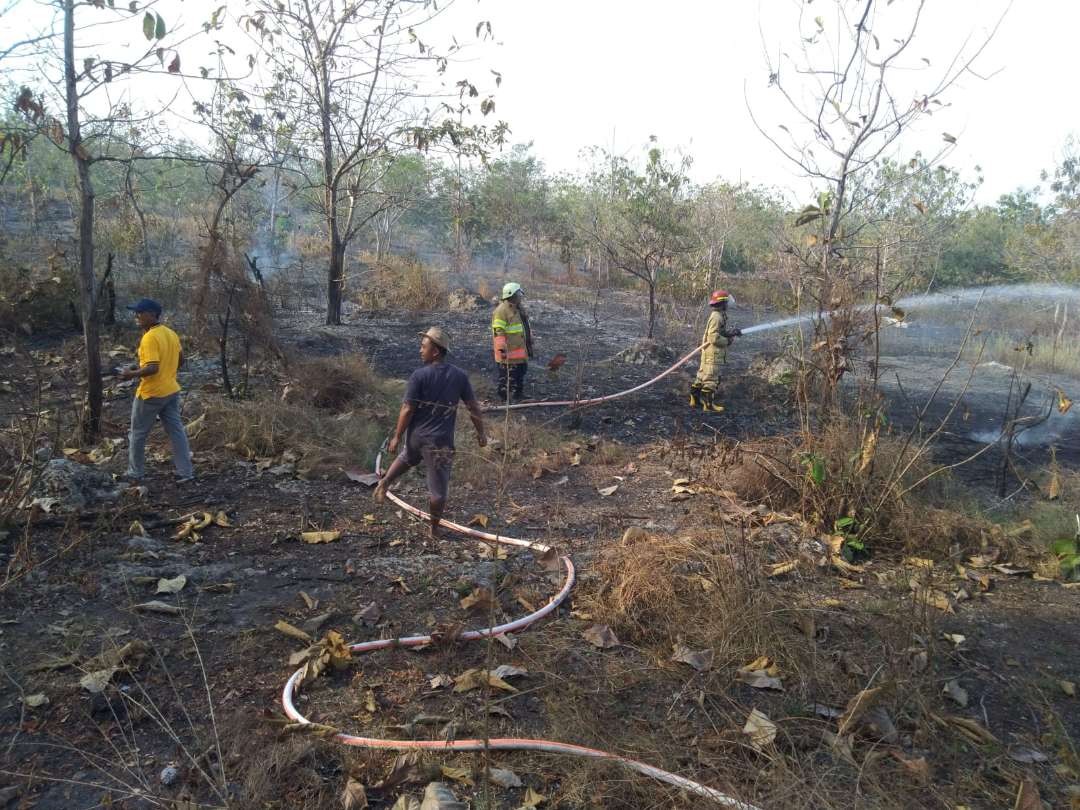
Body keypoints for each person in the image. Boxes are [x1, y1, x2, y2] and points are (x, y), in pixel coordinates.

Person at [373, 327, 487, 539]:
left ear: (436, 351)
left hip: (416, 437)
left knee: (408, 456)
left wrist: (398, 436)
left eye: (423, 347)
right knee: (439, 493)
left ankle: (385, 482)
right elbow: (473, 407)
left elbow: (407, 409)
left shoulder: (419, 376)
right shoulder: (459, 376)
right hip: (439, 444)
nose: (420, 351)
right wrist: (481, 433)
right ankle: (434, 529)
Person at [120, 298, 195, 482]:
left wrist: (130, 374)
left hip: (151, 393)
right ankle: (186, 472)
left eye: (140, 312)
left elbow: (152, 367)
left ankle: (135, 472)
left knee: (137, 433)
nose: (136, 316)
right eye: (136, 312)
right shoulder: (170, 333)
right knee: (176, 431)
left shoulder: (149, 337)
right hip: (171, 390)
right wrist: (168, 373)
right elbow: (181, 360)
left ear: (152, 315)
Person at [689, 289, 742, 413]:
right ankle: (708, 405)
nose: (729, 304)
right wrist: (728, 341)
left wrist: (731, 333)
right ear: (722, 303)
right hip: (713, 354)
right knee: (711, 379)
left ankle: (695, 400)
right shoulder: (717, 317)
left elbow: (719, 332)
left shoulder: (718, 315)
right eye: (727, 302)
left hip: (708, 353)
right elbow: (713, 337)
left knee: (702, 376)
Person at [491, 282, 533, 402]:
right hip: (508, 352)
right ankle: (503, 399)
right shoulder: (501, 311)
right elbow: (498, 332)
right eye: (518, 294)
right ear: (512, 295)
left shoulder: (518, 309)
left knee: (520, 373)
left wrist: (530, 339)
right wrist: (502, 351)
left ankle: (518, 395)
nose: (521, 297)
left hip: (520, 351)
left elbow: (524, 326)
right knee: (506, 377)